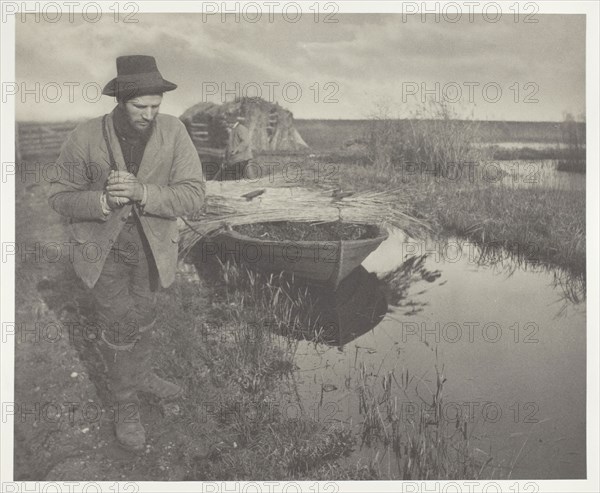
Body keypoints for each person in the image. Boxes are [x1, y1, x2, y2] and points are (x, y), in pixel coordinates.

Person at [48, 55, 205, 451]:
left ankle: (144, 375)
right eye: (140, 107)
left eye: (156, 106)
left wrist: (144, 193)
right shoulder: (85, 137)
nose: (150, 115)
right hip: (104, 251)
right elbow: (58, 196)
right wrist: (101, 200)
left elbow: (193, 193)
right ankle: (124, 406)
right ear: (120, 101)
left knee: (144, 316)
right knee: (118, 326)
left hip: (153, 250)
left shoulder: (174, 132)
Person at [222, 111, 256, 180]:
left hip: (242, 158)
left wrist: (237, 150)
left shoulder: (241, 128)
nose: (227, 125)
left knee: (245, 179)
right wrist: (225, 159)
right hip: (235, 159)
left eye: (228, 123)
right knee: (236, 179)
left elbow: (246, 141)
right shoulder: (232, 130)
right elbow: (230, 145)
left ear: (231, 122)